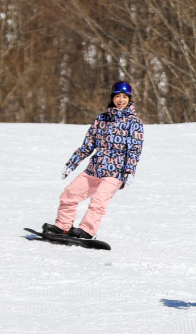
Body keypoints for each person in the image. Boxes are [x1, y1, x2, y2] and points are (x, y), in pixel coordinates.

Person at [43, 81, 144, 239]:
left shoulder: (134, 122)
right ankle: (62, 226)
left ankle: (87, 230)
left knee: (98, 202)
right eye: (118, 96)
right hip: (95, 168)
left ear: (129, 99)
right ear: (112, 98)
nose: (121, 100)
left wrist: (130, 171)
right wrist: (72, 164)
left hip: (116, 172)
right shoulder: (102, 119)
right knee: (69, 194)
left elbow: (134, 149)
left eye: (125, 97)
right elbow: (88, 144)